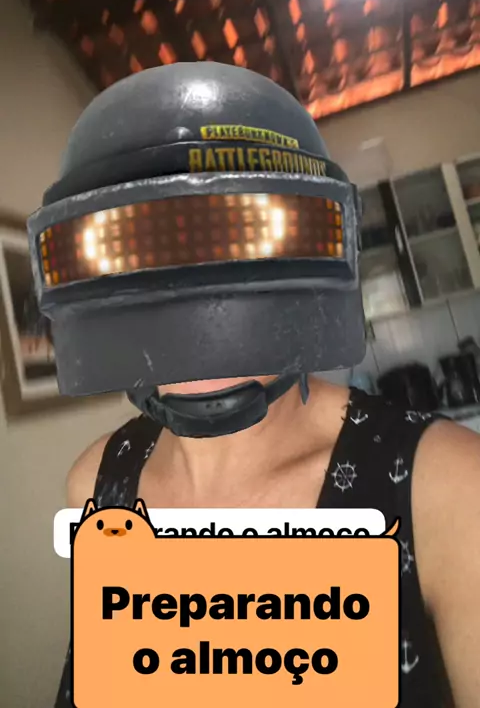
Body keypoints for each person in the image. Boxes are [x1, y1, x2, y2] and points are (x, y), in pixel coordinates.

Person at [28, 63, 480, 707]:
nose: (196, 300)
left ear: (316, 244)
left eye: (239, 234)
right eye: (138, 248)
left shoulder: (451, 489)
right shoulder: (96, 486)